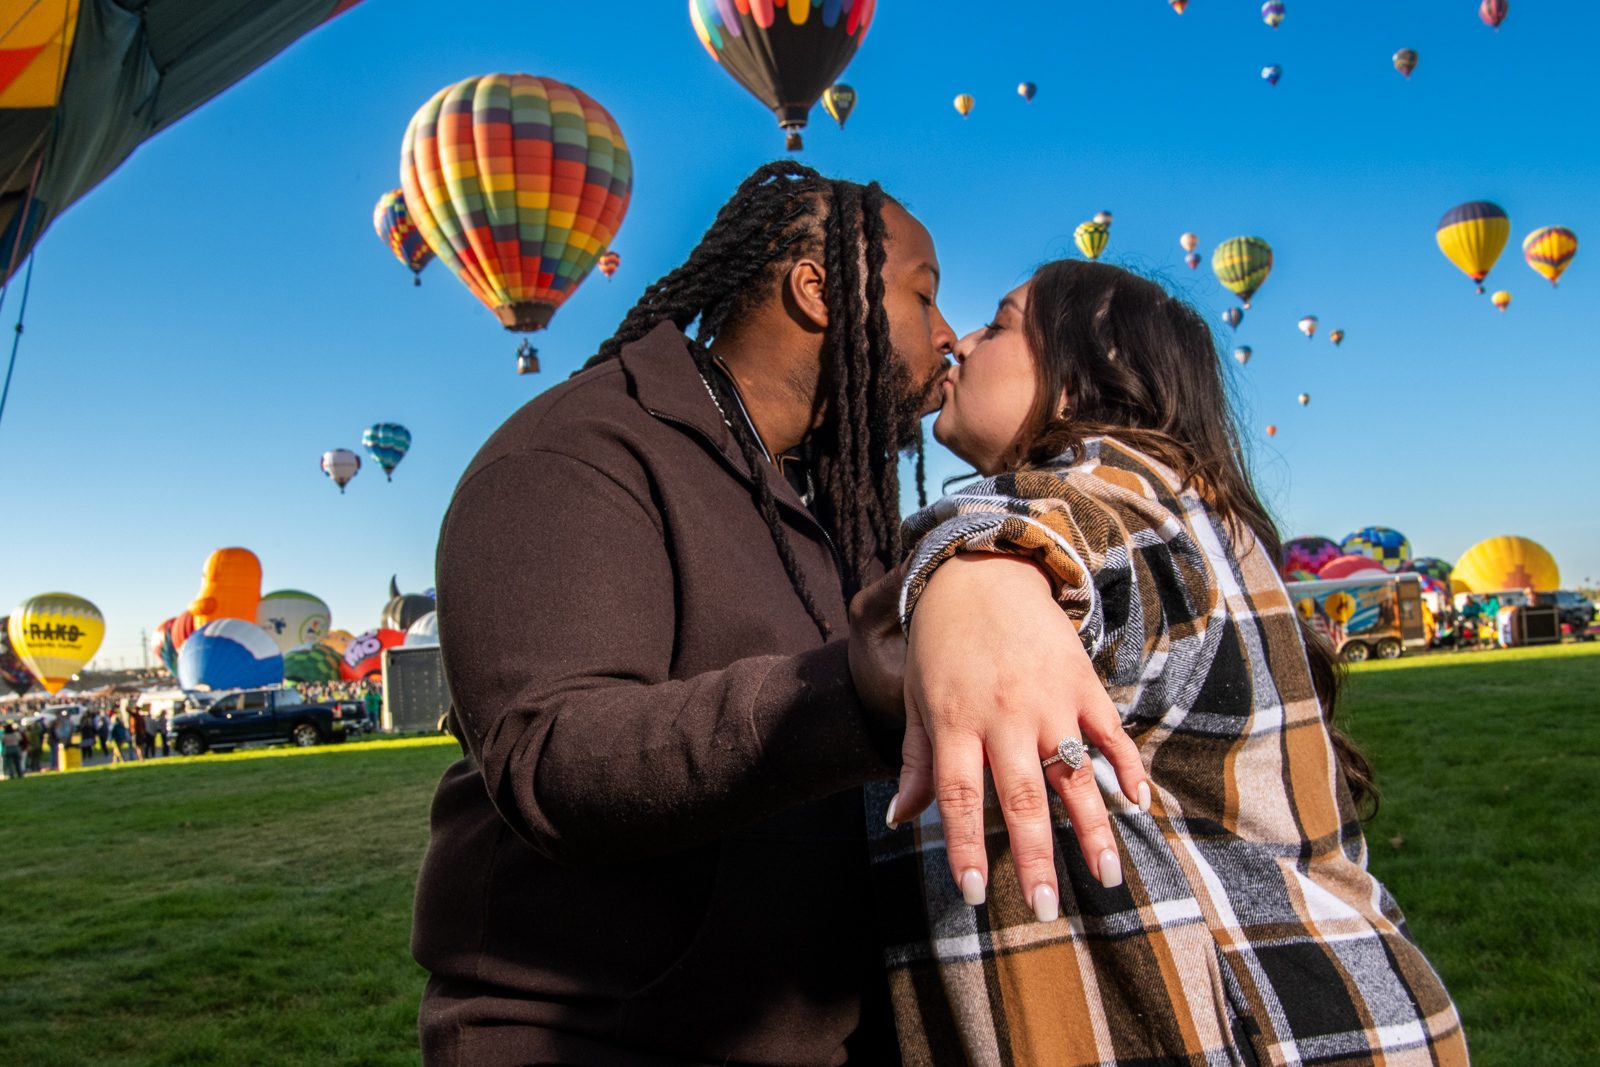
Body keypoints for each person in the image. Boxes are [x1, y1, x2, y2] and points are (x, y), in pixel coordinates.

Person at [414, 161, 981, 1065]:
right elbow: (555, 753)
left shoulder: (833, 492)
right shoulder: (575, 453)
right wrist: (849, 692)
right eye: (924, 297)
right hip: (597, 1039)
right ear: (819, 289)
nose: (949, 335)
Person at [875, 260, 1467, 1066]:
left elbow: (1082, 532)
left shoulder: (1129, 488)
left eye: (1002, 323)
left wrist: (982, 568)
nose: (962, 341)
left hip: (1275, 1033)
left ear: (1088, 376)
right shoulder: (1201, 511)